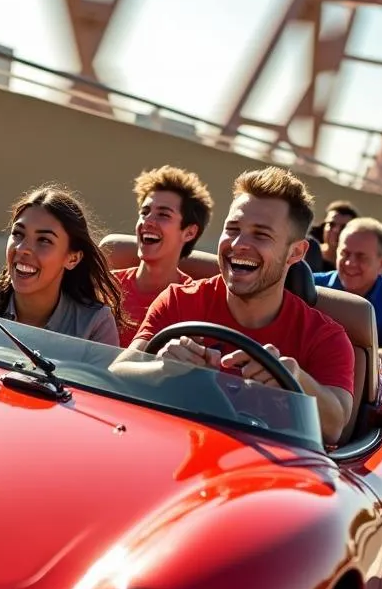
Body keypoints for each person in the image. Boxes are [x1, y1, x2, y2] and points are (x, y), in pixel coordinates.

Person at [126, 166, 356, 447]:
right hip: (172, 452)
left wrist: (294, 381)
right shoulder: (178, 300)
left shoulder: (325, 336)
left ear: (295, 252)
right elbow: (120, 371)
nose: (238, 244)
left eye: (261, 235)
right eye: (232, 229)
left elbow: (335, 428)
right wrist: (161, 367)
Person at [0, 185, 123, 346]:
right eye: (18, 234)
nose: (22, 249)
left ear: (73, 259)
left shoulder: (94, 323)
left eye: (44, 240)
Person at [102, 166, 213, 345]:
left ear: (189, 232)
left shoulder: (194, 300)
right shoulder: (105, 288)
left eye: (163, 214)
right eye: (145, 213)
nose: (148, 221)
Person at [313, 217, 382, 368]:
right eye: (345, 253)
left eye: (361, 256)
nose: (350, 263)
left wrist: (345, 356)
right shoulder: (311, 284)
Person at [309, 200, 358, 271]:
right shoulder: (306, 252)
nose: (336, 230)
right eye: (331, 224)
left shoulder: (352, 268)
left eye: (343, 227)